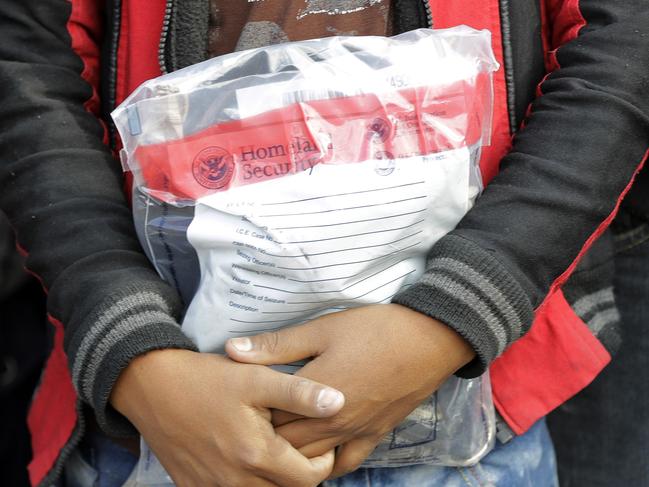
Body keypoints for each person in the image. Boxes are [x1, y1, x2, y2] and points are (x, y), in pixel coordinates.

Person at [0, 0, 647, 486]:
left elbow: (621, 42)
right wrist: (133, 351)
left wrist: (456, 311)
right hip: (164, 406)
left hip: (466, 395)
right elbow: (29, 65)